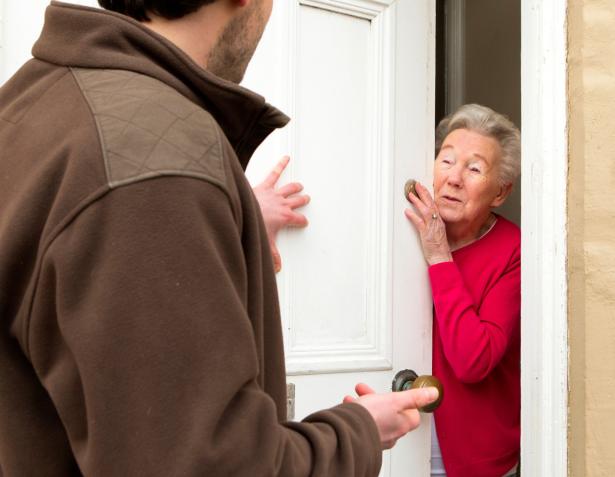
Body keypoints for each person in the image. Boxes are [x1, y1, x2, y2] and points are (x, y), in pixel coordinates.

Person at [0, 1, 438, 475]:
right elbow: (210, 465)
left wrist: (230, 218)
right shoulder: (156, 162)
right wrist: (359, 433)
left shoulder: (38, 100)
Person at [405, 104, 521, 477]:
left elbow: (475, 361)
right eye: (447, 160)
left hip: (474, 455)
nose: (454, 178)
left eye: (474, 168)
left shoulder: (514, 251)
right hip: (401, 436)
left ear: (500, 192)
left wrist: (440, 258)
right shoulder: (401, 230)